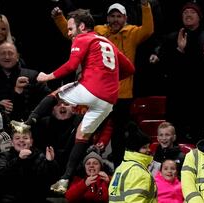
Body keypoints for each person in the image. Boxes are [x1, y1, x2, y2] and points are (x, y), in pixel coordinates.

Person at [25, 8, 134, 193]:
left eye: (70, 28)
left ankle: (27, 123)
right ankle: (65, 179)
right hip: (108, 100)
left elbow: (71, 65)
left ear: (82, 26)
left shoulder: (83, 38)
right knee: (81, 137)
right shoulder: (108, 43)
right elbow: (130, 68)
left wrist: (48, 76)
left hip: (91, 89)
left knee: (56, 94)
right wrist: (109, 78)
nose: (69, 33)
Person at [52, 1, 153, 168]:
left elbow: (148, 30)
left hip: (122, 94)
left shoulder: (133, 33)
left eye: (119, 16)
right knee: (84, 128)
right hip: (96, 91)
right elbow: (72, 33)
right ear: (107, 18)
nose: (115, 19)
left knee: (119, 134)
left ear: (125, 18)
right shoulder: (98, 32)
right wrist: (59, 18)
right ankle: (74, 169)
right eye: (112, 16)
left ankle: (118, 169)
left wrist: (145, 6)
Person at [150, 2, 204, 143]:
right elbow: (164, 67)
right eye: (185, 13)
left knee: (200, 136)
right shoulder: (171, 39)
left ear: (199, 17)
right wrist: (179, 50)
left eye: (192, 12)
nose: (188, 15)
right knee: (177, 136)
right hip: (177, 97)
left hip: (202, 97)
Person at [0, 42, 52, 121]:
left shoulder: (32, 75)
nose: (7, 57)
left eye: (11, 53)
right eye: (3, 54)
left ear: (17, 57)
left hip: (26, 123)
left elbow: (47, 98)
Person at [0, 120, 59, 203]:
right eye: (17, 138)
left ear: (31, 142)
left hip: (36, 198)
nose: (21, 140)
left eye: (25, 138)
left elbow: (51, 180)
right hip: (11, 198)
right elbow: (1, 176)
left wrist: (50, 162)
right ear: (12, 142)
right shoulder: (5, 156)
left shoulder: (39, 155)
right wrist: (19, 160)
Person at [108, 122, 157, 202]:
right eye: (144, 147)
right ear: (135, 149)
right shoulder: (138, 172)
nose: (149, 150)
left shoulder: (120, 168)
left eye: (148, 147)